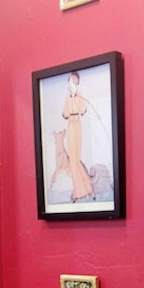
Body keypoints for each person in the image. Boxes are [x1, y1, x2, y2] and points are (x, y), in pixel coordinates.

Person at [62, 72, 95, 202]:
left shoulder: (80, 95)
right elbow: (65, 113)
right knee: (73, 161)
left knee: (76, 159)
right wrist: (71, 97)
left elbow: (83, 110)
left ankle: (84, 191)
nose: (73, 82)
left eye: (75, 80)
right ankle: (84, 191)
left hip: (77, 125)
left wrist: (76, 97)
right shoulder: (67, 97)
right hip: (70, 125)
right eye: (71, 80)